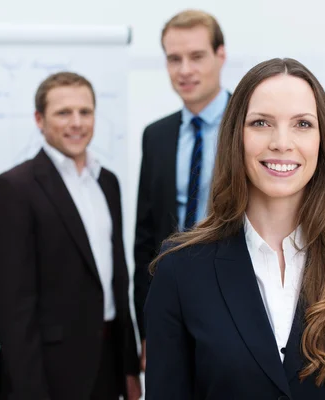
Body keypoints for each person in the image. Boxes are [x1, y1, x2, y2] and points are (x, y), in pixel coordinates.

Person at [144, 58, 325, 399]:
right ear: (235, 137)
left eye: (302, 124)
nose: (282, 142)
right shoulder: (180, 269)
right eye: (261, 123)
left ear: (322, 140)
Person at [0, 72, 141, 400]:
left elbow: (116, 280)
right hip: (47, 373)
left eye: (85, 112)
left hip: (107, 366)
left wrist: (127, 366)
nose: (77, 123)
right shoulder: (12, 189)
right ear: (39, 120)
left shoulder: (107, 182)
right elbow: (12, 307)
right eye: (63, 113)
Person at [134, 9, 229, 369]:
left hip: (236, 293)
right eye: (174, 59)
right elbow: (145, 237)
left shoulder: (252, 123)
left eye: (196, 56)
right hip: (171, 300)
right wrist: (146, 325)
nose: (185, 70)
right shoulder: (156, 136)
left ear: (221, 55)